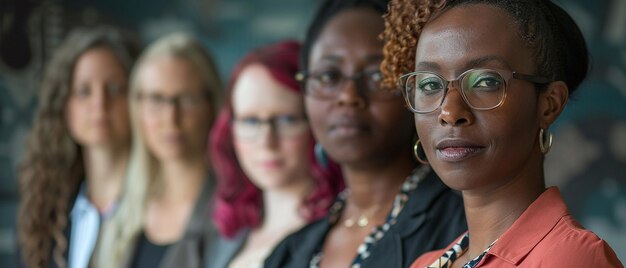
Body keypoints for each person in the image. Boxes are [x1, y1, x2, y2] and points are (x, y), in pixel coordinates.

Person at [381, 0, 624, 267]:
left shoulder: (569, 258)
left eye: (486, 82)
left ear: (549, 104)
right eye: (429, 84)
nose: (449, 111)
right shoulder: (426, 263)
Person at [264, 0, 466, 267]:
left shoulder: (462, 227)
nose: (349, 96)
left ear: (416, 88)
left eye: (377, 75)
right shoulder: (288, 254)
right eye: (328, 76)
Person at [205, 41, 343, 268]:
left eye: (287, 119)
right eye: (250, 121)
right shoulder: (229, 234)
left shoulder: (340, 232)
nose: (266, 142)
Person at [95, 33, 222, 268]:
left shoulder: (231, 212)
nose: (171, 118)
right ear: (137, 107)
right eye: (156, 99)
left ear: (211, 105)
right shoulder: (124, 210)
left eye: (186, 99)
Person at [17, 26, 139, 268]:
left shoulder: (161, 210)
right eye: (83, 91)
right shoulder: (44, 215)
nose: (99, 104)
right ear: (63, 105)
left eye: (114, 89)